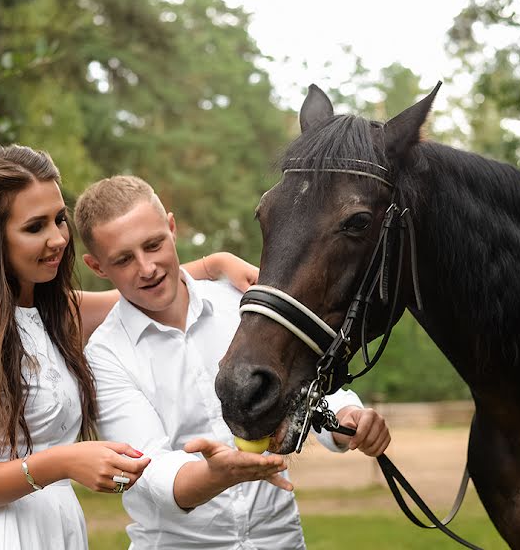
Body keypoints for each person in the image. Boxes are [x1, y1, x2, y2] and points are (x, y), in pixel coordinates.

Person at [0, 144, 259, 550]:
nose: (56, 239)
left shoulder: (57, 313)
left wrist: (217, 264)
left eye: (59, 219)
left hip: (58, 529)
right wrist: (64, 462)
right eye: (35, 227)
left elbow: (142, 283)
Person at [76, 175, 392, 549]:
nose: (147, 268)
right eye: (124, 259)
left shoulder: (239, 302)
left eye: (154, 244)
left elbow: (300, 385)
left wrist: (348, 421)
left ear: (172, 228)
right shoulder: (105, 354)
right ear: (97, 267)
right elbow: (149, 473)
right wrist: (219, 475)